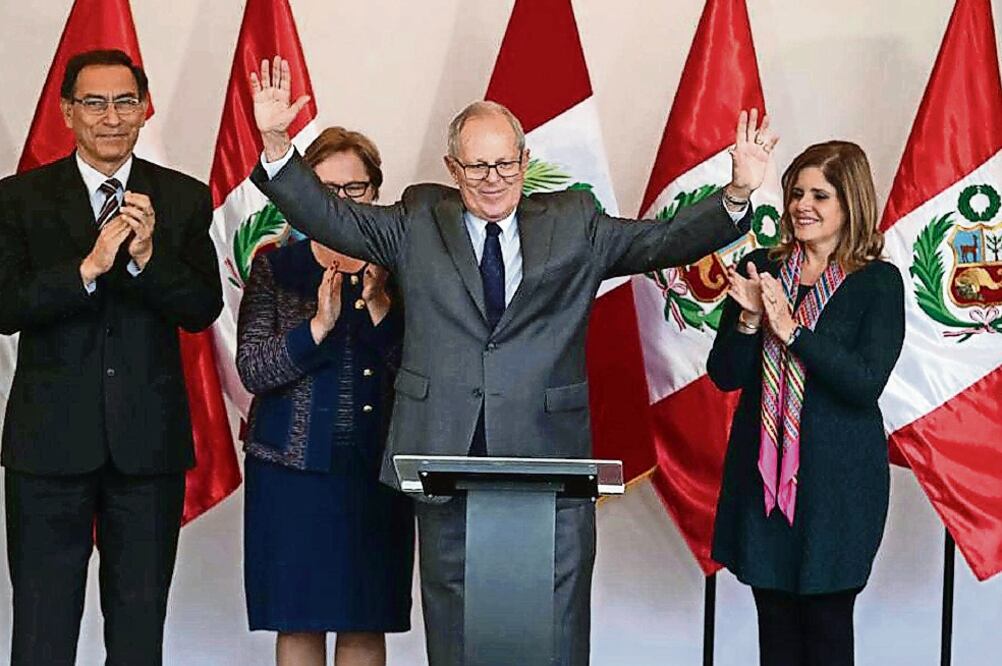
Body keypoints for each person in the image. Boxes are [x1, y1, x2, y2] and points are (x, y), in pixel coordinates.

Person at [247, 56, 777, 666]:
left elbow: (662, 242)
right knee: (454, 622)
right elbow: (329, 216)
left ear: (525, 163)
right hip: (445, 447)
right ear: (453, 168)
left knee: (554, 625)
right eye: (477, 166)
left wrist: (737, 193)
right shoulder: (418, 218)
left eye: (504, 163)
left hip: (547, 449)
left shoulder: (574, 221)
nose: (493, 178)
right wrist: (278, 146)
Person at [0, 49, 222, 665]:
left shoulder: (180, 198)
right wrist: (89, 269)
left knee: (138, 627)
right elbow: (5, 306)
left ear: (145, 110)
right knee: (42, 630)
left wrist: (149, 259)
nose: (111, 116)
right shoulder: (18, 199)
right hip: (48, 449)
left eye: (125, 101)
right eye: (94, 102)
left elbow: (201, 307)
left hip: (146, 450)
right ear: (67, 111)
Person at [707, 141, 905, 666]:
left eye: (820, 194)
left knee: (825, 631)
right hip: (763, 483)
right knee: (774, 631)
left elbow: (864, 384)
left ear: (850, 204)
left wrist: (792, 331)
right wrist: (750, 320)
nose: (802, 205)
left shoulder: (877, 282)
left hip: (838, 490)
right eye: (796, 192)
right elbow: (725, 375)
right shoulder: (760, 267)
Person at [236, 126, 413, 666]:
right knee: (299, 620)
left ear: (375, 193)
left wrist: (381, 307)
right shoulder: (275, 266)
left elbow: (420, 375)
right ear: (304, 192)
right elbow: (253, 369)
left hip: (375, 472)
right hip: (290, 475)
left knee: (365, 619)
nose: (341, 202)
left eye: (354, 189)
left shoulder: (404, 268)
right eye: (326, 189)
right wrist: (316, 327)